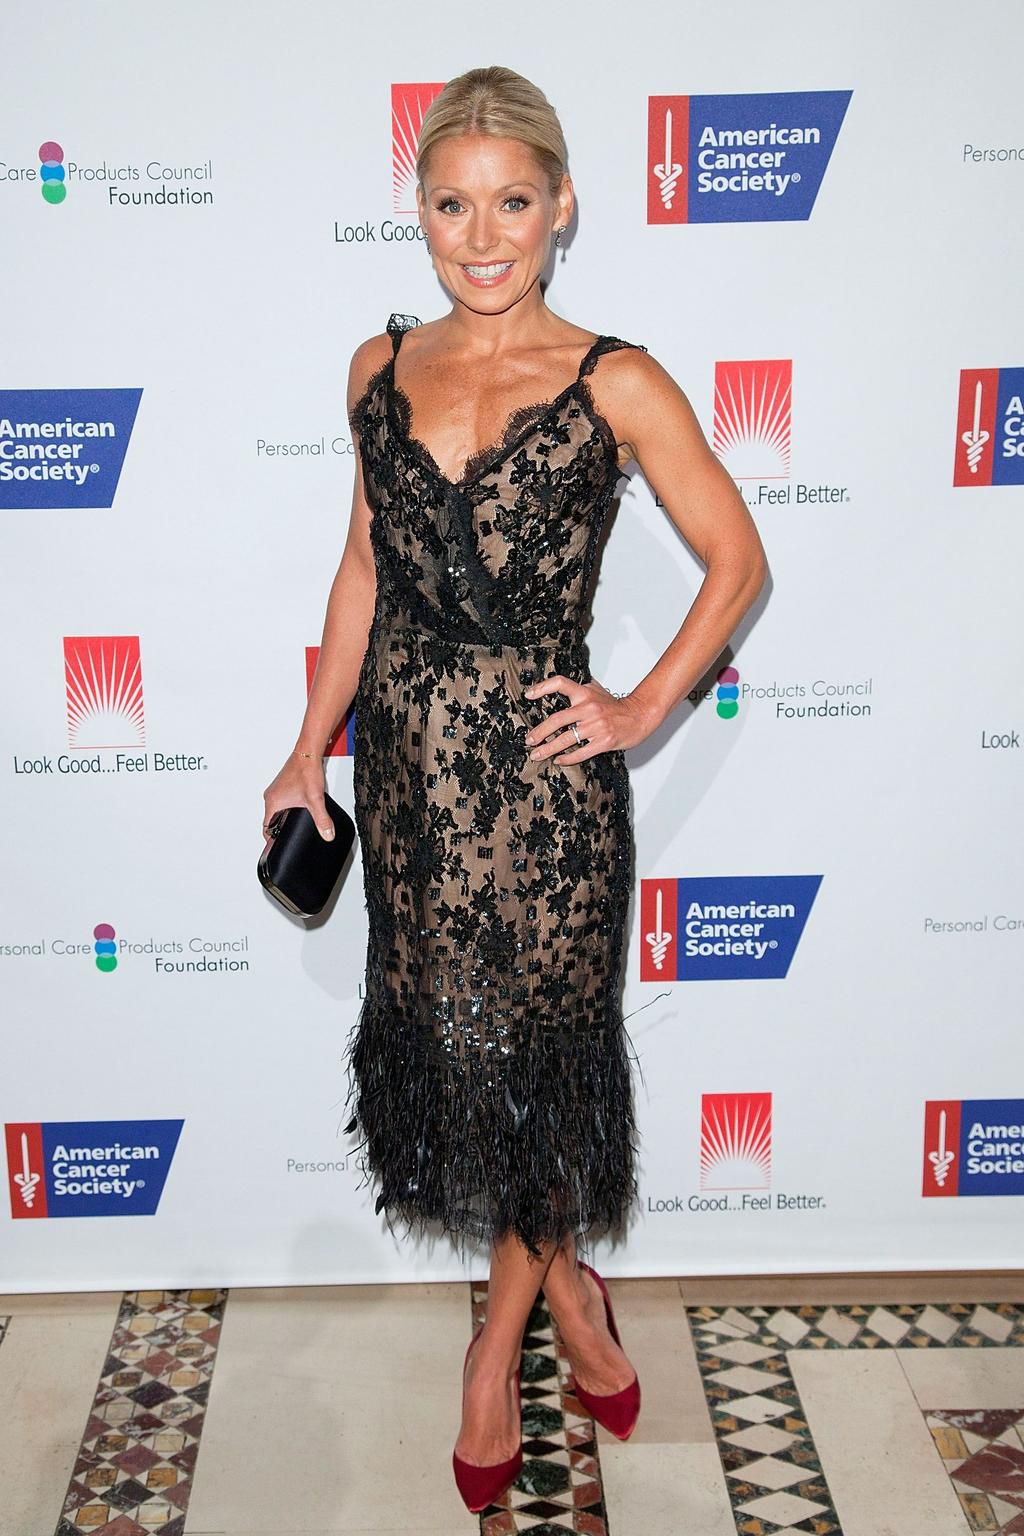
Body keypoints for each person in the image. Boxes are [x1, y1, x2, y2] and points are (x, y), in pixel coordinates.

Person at [263, 64, 766, 1514]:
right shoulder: (377, 369)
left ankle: (499, 1348)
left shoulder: (616, 380)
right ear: (419, 212)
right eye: (452, 205)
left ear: (561, 209)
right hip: (411, 778)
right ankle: (577, 1300)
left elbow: (737, 559)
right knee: (460, 1061)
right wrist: (309, 743)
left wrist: (642, 706)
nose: (482, 238)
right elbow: (364, 567)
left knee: (544, 1072)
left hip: (546, 800)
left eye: (512, 203)